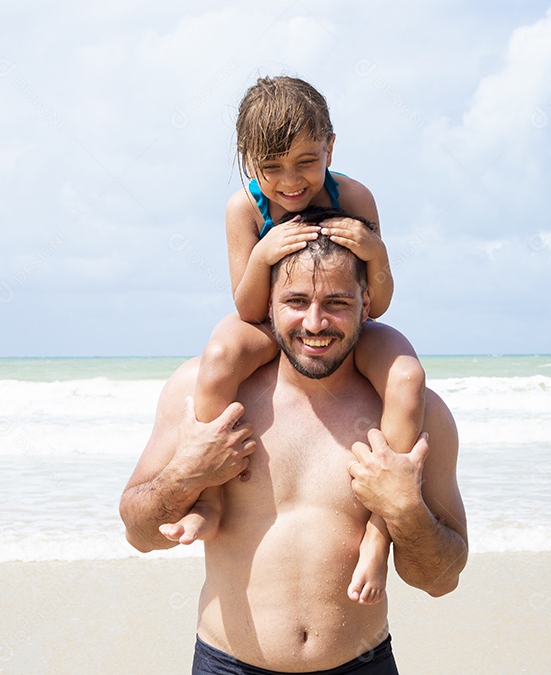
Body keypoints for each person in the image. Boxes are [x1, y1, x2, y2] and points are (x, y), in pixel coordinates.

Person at [120, 208, 468, 675]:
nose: (314, 323)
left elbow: (442, 578)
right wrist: (187, 474)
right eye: (296, 302)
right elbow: (138, 532)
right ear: (267, 304)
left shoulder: (414, 414)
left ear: (366, 303)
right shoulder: (202, 394)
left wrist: (405, 509)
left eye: (337, 303)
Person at [162, 76, 427, 606]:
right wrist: (264, 253)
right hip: (270, 319)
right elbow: (247, 308)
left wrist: (374, 252)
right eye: (271, 167)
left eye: (307, 161)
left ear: (331, 146)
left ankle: (378, 535)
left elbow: (382, 299)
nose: (290, 181)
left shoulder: (352, 196)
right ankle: (211, 499)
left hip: (346, 319)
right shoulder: (245, 209)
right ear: (248, 160)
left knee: (408, 376)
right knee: (217, 356)